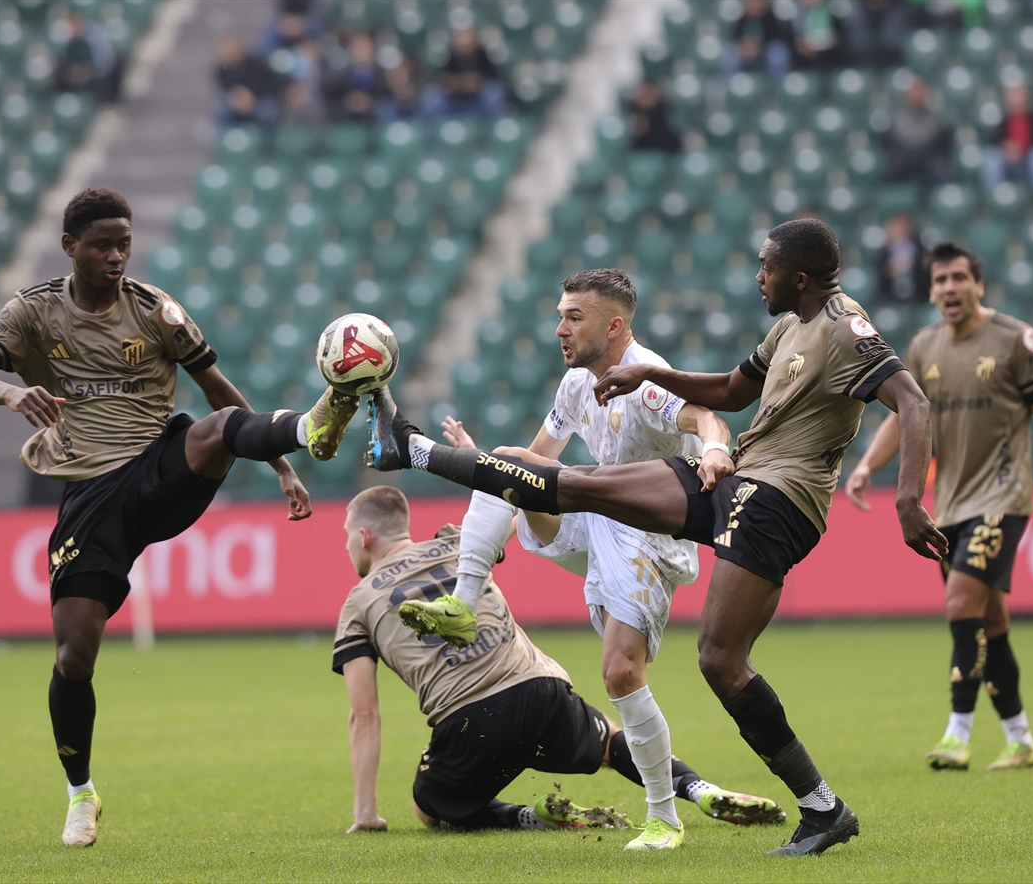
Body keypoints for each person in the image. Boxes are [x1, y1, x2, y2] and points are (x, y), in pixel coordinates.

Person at [366, 218, 948, 857]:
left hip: (779, 502)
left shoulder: (843, 326)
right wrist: (648, 376)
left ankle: (821, 807)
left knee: (720, 661)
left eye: (767, 266)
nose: (759, 276)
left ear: (800, 276)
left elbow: (914, 402)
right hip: (740, 481)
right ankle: (411, 449)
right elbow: (729, 392)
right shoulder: (789, 327)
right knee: (566, 481)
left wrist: (908, 500)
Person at [0, 188, 363, 848]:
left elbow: (218, 390)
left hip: (157, 469)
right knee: (73, 656)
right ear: (70, 247)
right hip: (90, 494)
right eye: (102, 246)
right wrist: (8, 391)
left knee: (217, 426)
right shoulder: (34, 311)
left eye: (124, 244)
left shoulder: (154, 309)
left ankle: (309, 426)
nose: (116, 257)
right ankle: (81, 793)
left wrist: (281, 464)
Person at [399, 268, 738, 851]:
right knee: (505, 462)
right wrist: (485, 486)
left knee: (621, 674)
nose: (560, 328)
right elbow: (534, 463)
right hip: (595, 513)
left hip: (649, 535)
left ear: (615, 326)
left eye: (574, 318)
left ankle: (664, 818)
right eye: (560, 315)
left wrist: (712, 450)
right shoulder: (577, 383)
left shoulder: (645, 380)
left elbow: (709, 417)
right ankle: (463, 601)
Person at [335, 486, 785, 834]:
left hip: (468, 720)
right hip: (541, 690)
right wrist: (479, 470)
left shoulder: (358, 602)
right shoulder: (457, 543)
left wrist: (366, 814)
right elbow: (508, 509)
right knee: (612, 739)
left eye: (345, 537)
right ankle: (700, 788)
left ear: (364, 536)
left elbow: (364, 715)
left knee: (429, 809)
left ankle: (531, 817)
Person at [844, 241, 1033, 772]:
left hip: (1003, 498)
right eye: (940, 280)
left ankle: (957, 734)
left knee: (960, 603)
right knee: (991, 620)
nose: (949, 288)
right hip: (948, 505)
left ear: (978, 285)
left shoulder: (1015, 340)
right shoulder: (924, 346)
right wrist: (867, 465)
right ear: (931, 291)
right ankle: (1020, 738)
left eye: (959, 278)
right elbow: (904, 416)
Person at [981, 85, 1033, 196]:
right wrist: (1006, 149)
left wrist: (1023, 149)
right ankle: (993, 197)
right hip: (1007, 160)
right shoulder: (1000, 120)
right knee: (991, 158)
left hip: (1028, 159)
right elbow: (994, 141)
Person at [419, 27, 504, 121]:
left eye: (468, 45)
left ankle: (491, 124)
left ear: (475, 43)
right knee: (431, 97)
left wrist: (477, 83)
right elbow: (441, 79)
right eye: (462, 45)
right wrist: (457, 84)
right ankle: (432, 127)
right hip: (453, 98)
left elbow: (493, 77)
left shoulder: (484, 56)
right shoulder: (447, 56)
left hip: (478, 98)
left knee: (494, 93)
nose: (465, 49)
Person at [882, 76, 951, 185]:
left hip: (929, 164)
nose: (916, 95)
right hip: (900, 164)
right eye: (913, 91)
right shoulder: (894, 120)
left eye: (920, 91)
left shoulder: (938, 121)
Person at [215, 36, 284, 126]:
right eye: (226, 55)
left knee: (268, 110)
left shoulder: (254, 64)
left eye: (231, 54)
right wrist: (239, 98)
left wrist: (249, 97)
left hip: (260, 98)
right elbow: (227, 89)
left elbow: (263, 84)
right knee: (222, 108)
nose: (229, 58)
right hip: (239, 101)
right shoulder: (222, 71)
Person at [322, 31, 389, 124]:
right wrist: (349, 103)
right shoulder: (339, 77)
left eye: (365, 47)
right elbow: (331, 99)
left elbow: (387, 98)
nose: (361, 51)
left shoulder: (382, 76)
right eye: (358, 46)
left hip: (375, 121)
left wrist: (369, 103)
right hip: (346, 120)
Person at [724, 0, 793, 78]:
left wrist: (759, 47)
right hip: (745, 52)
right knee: (730, 56)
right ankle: (735, 83)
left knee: (777, 54)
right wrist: (745, 48)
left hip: (766, 51)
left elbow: (777, 38)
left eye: (757, 1)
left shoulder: (770, 19)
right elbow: (736, 38)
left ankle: (778, 83)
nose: (754, 5)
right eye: (751, 1)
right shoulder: (741, 20)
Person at [877, 213, 929, 305]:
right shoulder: (883, 253)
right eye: (895, 227)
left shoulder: (919, 249)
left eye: (902, 226)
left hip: (918, 297)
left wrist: (911, 265)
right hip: (891, 299)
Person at [628, 81, 682, 154]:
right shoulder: (631, 113)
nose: (646, 96)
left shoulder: (666, 114)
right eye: (644, 94)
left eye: (650, 94)